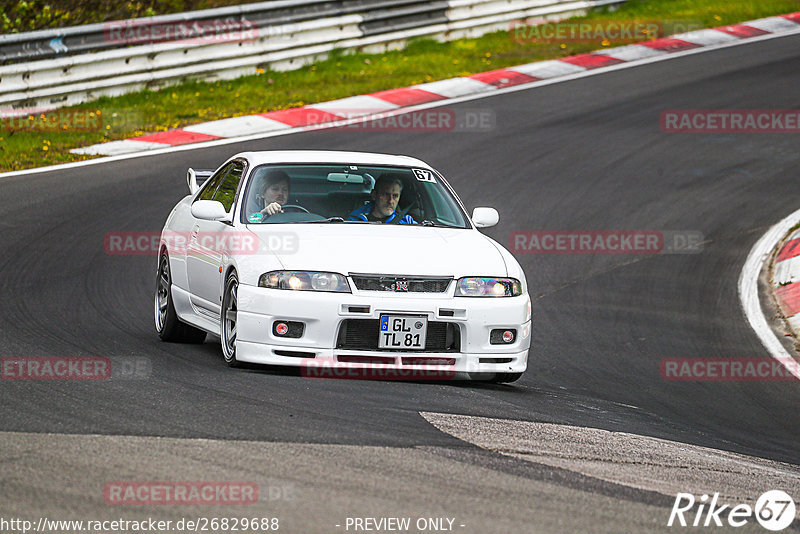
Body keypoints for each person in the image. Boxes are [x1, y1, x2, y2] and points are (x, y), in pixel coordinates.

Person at [347, 175, 416, 224]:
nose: (390, 201)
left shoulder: (407, 222)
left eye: (395, 196)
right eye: (386, 195)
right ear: (374, 195)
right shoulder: (355, 220)